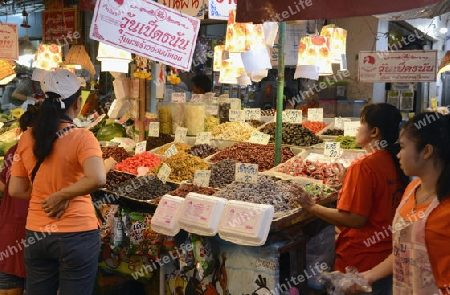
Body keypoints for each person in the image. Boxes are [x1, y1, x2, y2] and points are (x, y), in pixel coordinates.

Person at [290, 103, 410, 295]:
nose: (357, 128)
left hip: (361, 263)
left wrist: (312, 207)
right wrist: (349, 182)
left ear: (374, 132)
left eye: (361, 123)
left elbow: (355, 219)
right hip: (386, 258)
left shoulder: (364, 165)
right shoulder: (394, 160)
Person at [9, 69, 107, 295]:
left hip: (37, 234)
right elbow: (97, 178)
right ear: (78, 103)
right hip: (77, 235)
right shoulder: (83, 137)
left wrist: (47, 196)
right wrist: (62, 195)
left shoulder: (26, 137)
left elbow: (16, 189)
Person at [359, 111, 450, 295]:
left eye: (402, 147)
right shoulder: (412, 189)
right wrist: (368, 276)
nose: (398, 154)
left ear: (426, 151)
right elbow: (404, 251)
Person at [0, 103, 40, 295]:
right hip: (36, 230)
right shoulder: (47, 152)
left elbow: (4, 185)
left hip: (9, 228)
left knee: (8, 285)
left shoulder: (13, 151)